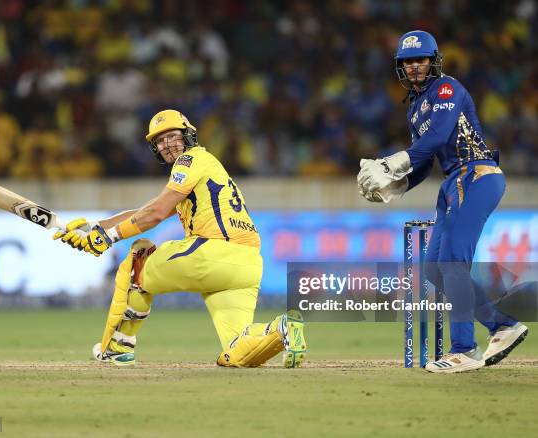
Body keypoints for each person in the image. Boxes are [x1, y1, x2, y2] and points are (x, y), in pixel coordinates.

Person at [53, 109, 306, 368]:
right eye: (160, 141)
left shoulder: (190, 160)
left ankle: (117, 347)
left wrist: (109, 237)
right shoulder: (202, 167)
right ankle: (281, 328)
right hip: (246, 266)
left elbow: (155, 213)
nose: (167, 144)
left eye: (172, 136)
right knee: (236, 353)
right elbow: (150, 209)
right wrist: (94, 226)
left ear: (188, 136)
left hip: (214, 252)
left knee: (138, 260)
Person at [357, 31, 528, 373]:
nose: (415, 67)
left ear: (433, 61)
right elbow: (423, 161)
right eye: (408, 62)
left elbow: (437, 136)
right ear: (400, 68)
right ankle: (502, 325)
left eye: (420, 60)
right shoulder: (415, 109)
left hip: (476, 175)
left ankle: (464, 350)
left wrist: (391, 163)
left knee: (452, 261)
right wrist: (397, 186)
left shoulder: (447, 89)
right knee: (434, 268)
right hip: (454, 183)